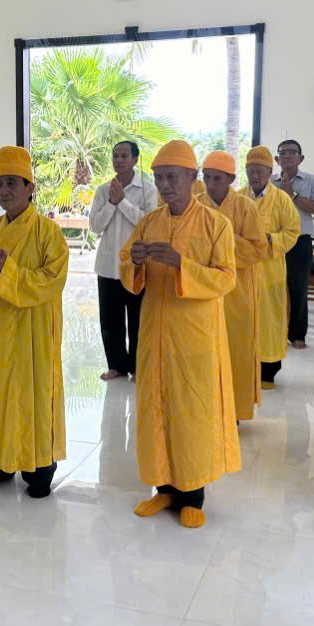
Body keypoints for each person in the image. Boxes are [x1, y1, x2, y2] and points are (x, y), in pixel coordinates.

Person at [119, 139, 238, 528]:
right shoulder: (148, 222)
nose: (165, 185)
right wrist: (136, 262)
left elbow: (227, 278)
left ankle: (193, 494)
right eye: (159, 178)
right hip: (154, 332)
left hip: (195, 337)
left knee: (190, 412)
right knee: (156, 406)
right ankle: (164, 488)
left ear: (192, 178)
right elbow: (127, 262)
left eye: (172, 177)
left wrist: (181, 265)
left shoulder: (215, 224)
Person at [0, 146, 68, 497]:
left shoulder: (48, 232)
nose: (5, 190)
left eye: (12, 183)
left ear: (30, 188)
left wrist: (5, 273)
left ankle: (40, 466)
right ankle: (0, 460)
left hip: (33, 330)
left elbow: (52, 280)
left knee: (33, 393)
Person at [197, 150, 268, 421]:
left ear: (231, 179)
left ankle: (234, 411)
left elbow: (258, 250)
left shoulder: (245, 207)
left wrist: (223, 239)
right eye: (207, 177)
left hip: (237, 293)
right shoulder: (196, 205)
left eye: (217, 178)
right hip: (204, 289)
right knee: (204, 352)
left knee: (236, 351)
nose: (210, 184)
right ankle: (206, 408)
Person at [89, 140, 159, 380]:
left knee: (138, 319)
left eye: (124, 156)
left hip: (137, 265)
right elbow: (95, 226)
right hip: (108, 265)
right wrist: (111, 202)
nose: (118, 160)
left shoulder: (147, 189)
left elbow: (149, 224)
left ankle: (139, 367)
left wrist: (123, 202)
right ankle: (116, 366)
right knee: (110, 321)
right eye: (115, 156)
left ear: (135, 160)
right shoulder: (103, 190)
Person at [243, 146, 300, 389]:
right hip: (243, 273)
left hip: (270, 273)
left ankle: (268, 371)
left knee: (269, 322)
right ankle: (245, 369)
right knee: (244, 321)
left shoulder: (281, 199)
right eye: (251, 170)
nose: (255, 175)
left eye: (260, 171)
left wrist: (271, 239)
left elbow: (292, 232)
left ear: (269, 172)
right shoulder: (238, 198)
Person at [272, 139, 314, 349]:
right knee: (273, 287)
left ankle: (297, 335)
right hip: (274, 240)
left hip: (300, 240)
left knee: (298, 288)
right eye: (283, 153)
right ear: (276, 159)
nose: (287, 156)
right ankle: (274, 332)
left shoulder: (312, 181)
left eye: (292, 152)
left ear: (300, 158)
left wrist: (291, 193)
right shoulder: (269, 181)